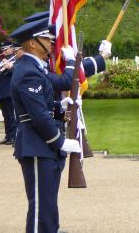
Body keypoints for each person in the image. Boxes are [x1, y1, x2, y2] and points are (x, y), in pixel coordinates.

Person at [9, 17, 82, 233]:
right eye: (46, 39)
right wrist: (60, 142)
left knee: (48, 201)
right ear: (33, 43)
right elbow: (38, 115)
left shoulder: (34, 68)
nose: (52, 43)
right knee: (40, 205)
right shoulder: (28, 71)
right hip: (37, 145)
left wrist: (60, 106)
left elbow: (44, 105)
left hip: (42, 145)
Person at [0, 41, 19, 145]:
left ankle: (13, 137)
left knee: (11, 115)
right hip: (2, 92)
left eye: (6, 49)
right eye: (3, 49)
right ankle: (7, 136)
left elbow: (12, 72)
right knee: (5, 115)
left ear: (11, 49)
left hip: (10, 91)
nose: (4, 51)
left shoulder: (14, 59)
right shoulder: (3, 61)